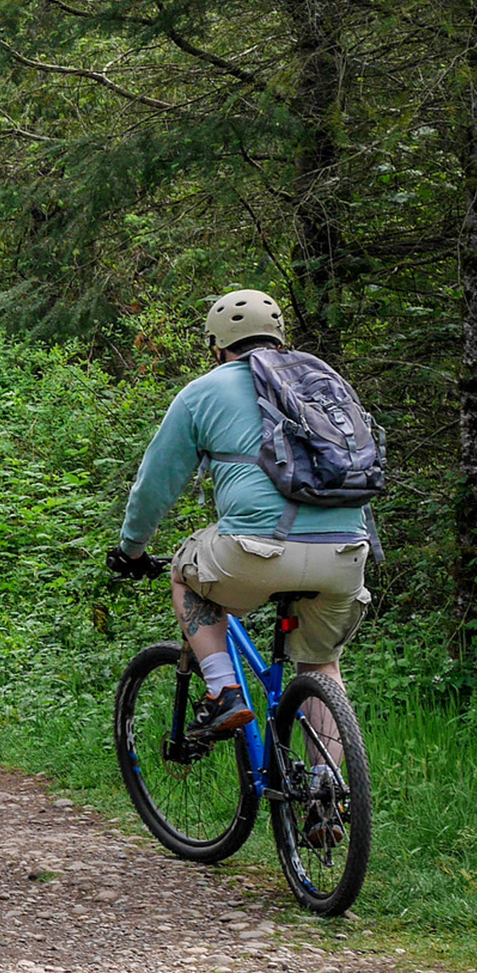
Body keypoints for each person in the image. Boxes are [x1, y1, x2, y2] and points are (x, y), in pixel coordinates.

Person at [107, 289, 373, 740]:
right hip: (346, 551)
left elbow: (155, 485)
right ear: (279, 337)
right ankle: (328, 795)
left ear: (217, 346)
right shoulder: (324, 383)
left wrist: (131, 550)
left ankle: (223, 690)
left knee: (182, 574)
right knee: (322, 665)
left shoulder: (204, 391)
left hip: (255, 551)